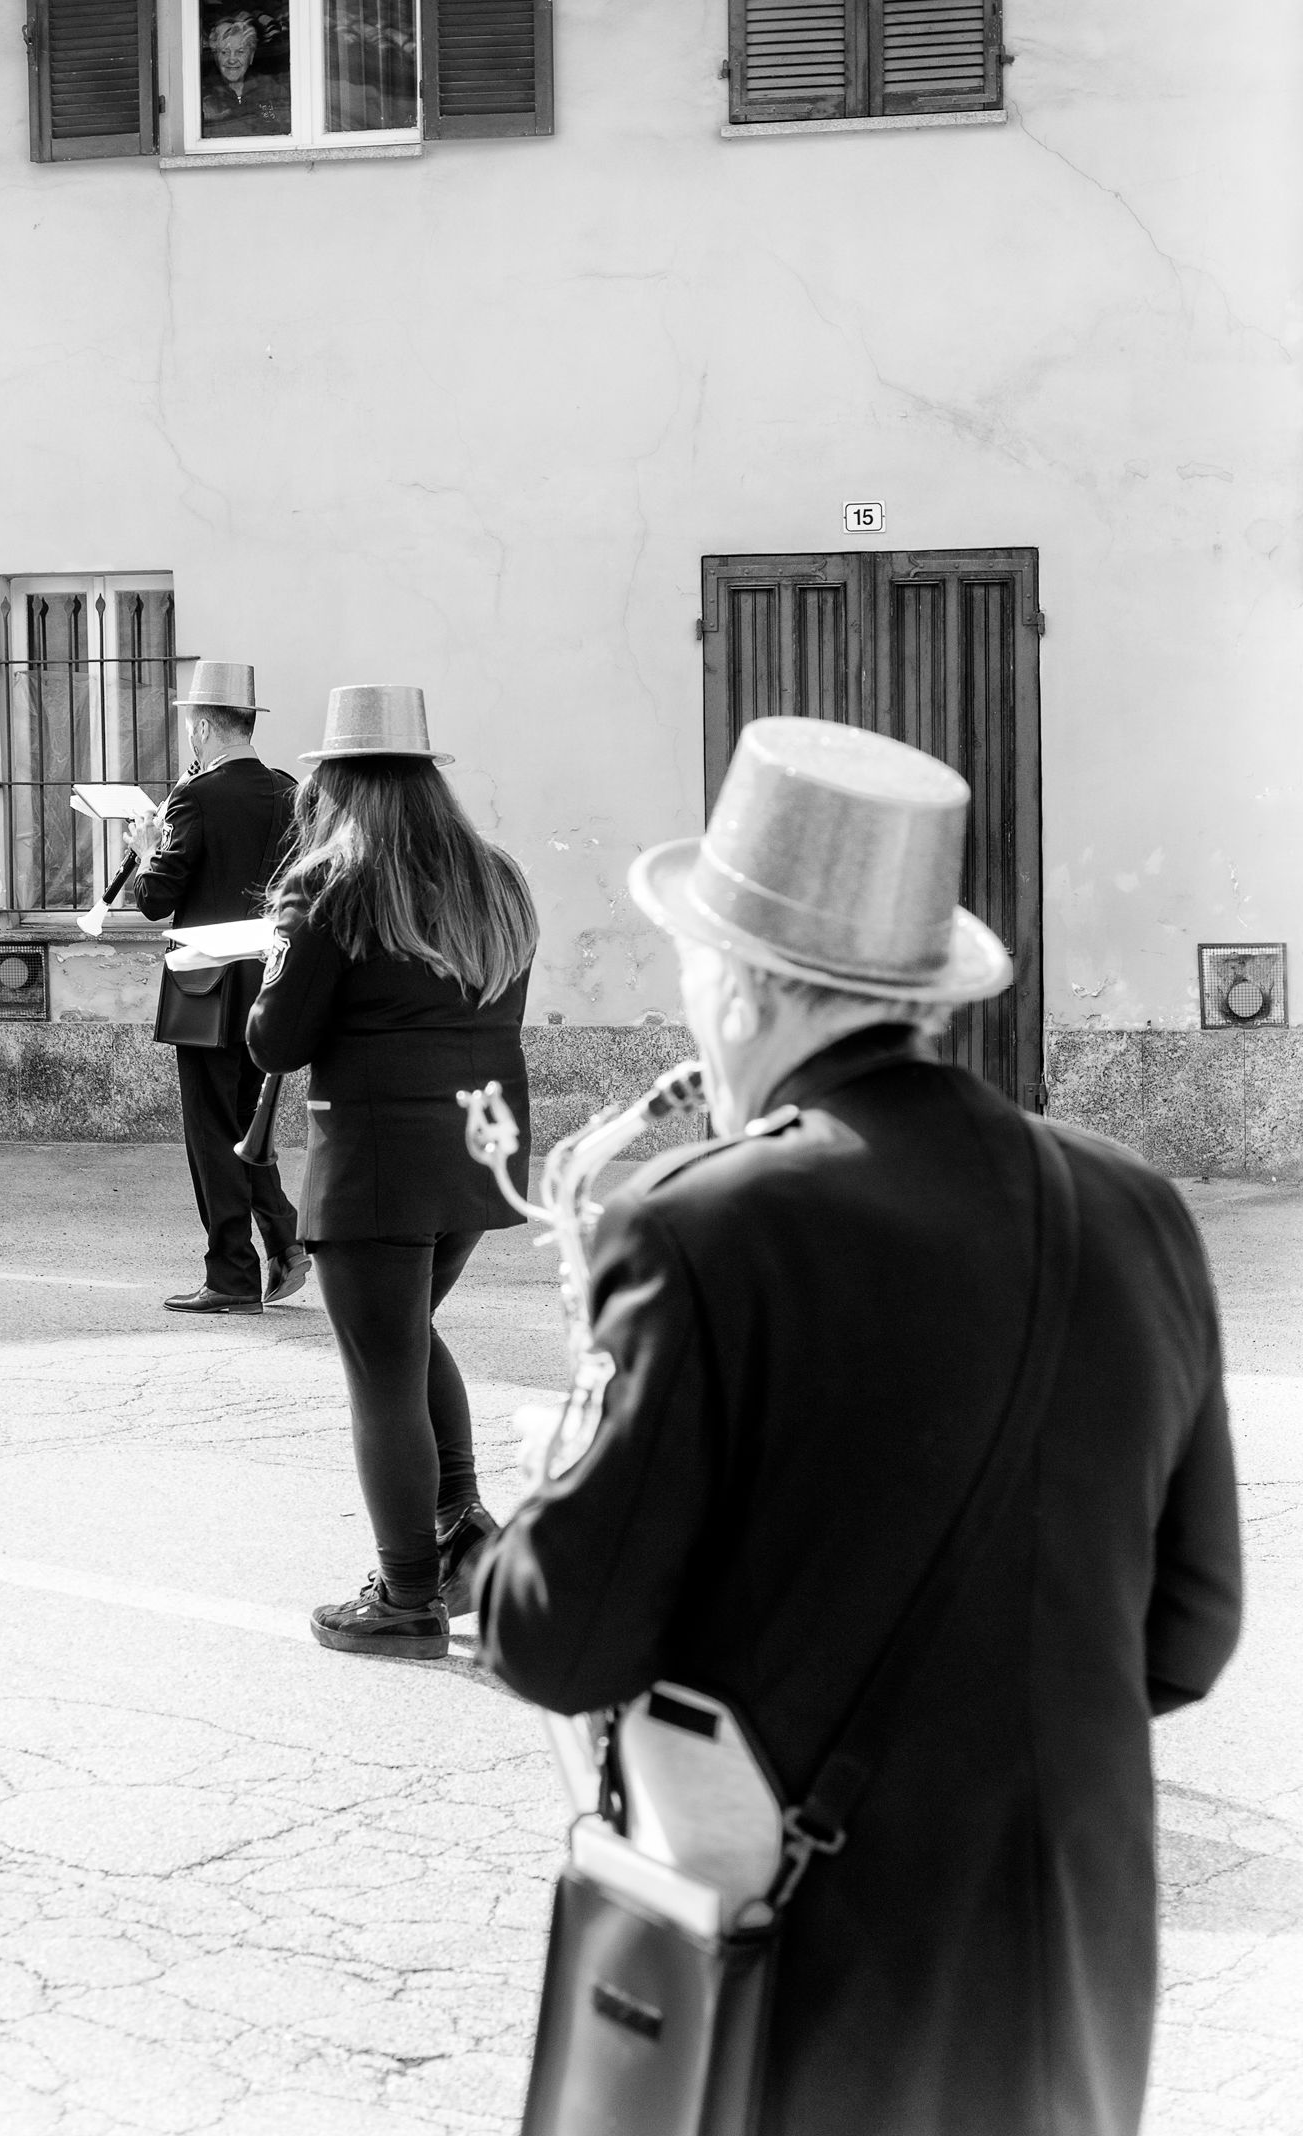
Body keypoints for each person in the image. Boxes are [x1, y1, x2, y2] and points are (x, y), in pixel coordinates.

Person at [476, 716, 1242, 2136]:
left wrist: (546, 1489)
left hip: (805, 1978)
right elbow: (1187, 1631)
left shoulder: (701, 1229)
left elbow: (556, 1639)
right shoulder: (1138, 1209)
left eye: (695, 968)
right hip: (1073, 1972)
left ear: (750, 989)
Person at [246, 684, 537, 1663]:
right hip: (479, 1140)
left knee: (380, 1377)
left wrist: (278, 951)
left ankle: (408, 1595)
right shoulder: (493, 875)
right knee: (405, 1338)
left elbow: (275, 1042)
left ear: (331, 779)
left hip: (377, 1151)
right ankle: (457, 1535)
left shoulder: (333, 884)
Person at [129, 661, 308, 1316]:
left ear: (203, 727)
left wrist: (148, 849)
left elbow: (155, 899)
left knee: (213, 1133)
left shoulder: (194, 798)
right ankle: (285, 1242)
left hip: (207, 983)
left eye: (189, 729)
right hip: (269, 979)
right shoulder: (291, 792)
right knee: (246, 1126)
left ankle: (231, 1273)